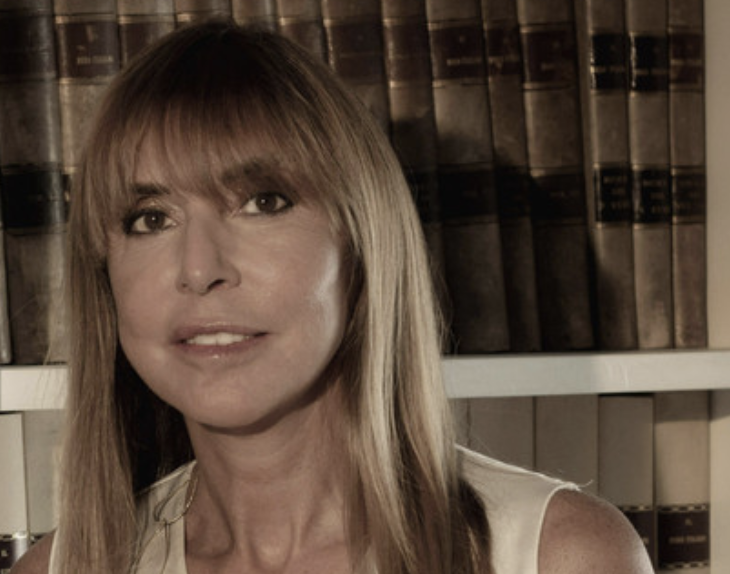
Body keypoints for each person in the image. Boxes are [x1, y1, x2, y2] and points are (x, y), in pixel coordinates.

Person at [12, 21, 653, 574]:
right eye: (151, 218)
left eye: (263, 202)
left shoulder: (559, 555)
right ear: (104, 274)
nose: (199, 269)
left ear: (360, 243)